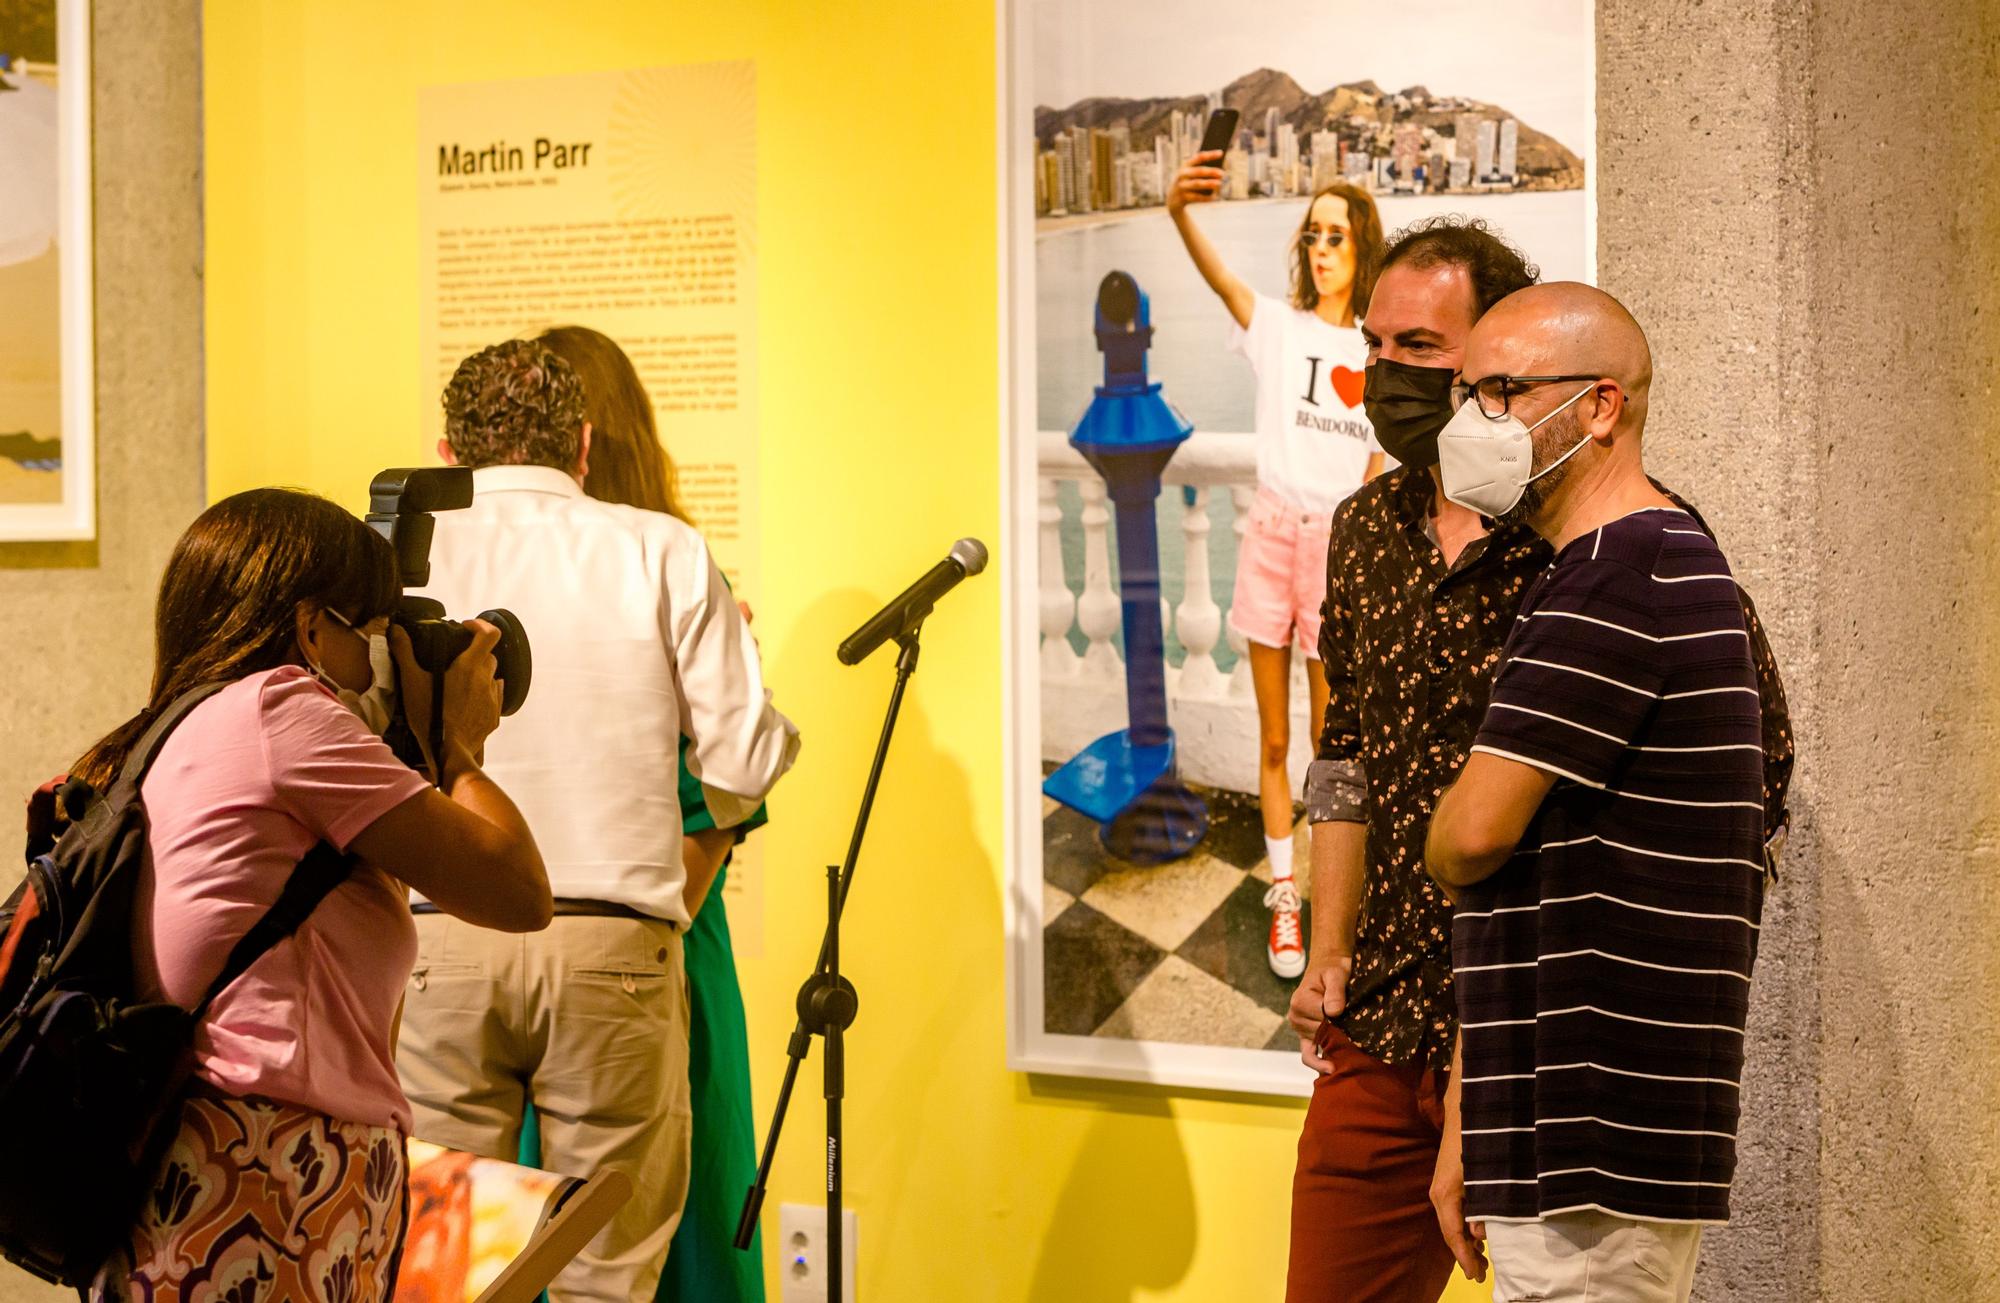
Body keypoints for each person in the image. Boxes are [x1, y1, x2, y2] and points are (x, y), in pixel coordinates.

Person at [1283, 220, 1793, 1303]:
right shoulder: (1368, 527)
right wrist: (1328, 945)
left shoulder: (1596, 542)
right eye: (1376, 348)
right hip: (1384, 1008)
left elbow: (1753, 770)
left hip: (1528, 1042)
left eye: (1425, 353)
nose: (1393, 378)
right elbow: (1347, 745)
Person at [395, 339, 799, 1302]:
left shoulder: (403, 558)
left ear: (448, 451)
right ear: (581, 443)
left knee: (442, 1261)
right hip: (615, 948)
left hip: (440, 934)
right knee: (604, 1273)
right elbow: (741, 764)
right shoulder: (663, 548)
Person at [75, 488, 550, 1302]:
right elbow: (517, 890)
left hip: (240, 1165)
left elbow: (362, 1003)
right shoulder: (281, 710)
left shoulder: (191, 727)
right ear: (309, 629)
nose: (382, 661)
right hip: (268, 1172)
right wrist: (458, 747)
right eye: (372, 632)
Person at [1423, 284, 1765, 1303]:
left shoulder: (1626, 574)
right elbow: (1517, 891)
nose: (1470, 424)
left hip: (1596, 1136)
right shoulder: (1601, 570)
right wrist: (1467, 1119)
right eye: (1462, 394)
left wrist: (1444, 820)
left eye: (1498, 392)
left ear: (1600, 406)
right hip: (1558, 1129)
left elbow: (1471, 836)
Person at [536, 322, 772, 1303]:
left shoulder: (676, 590)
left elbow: (701, 838)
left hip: (641, 969)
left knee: (661, 1245)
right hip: (581, 963)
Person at [1166, 153, 1387, 979]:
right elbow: (1219, 276)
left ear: (1362, 248)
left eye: (1339, 235)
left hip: (1334, 549)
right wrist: (1179, 212)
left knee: (1334, 742)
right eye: (1314, 234)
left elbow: (1372, 471)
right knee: (1274, 735)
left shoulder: (1374, 351)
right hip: (1268, 537)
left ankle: (1335, 903)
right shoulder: (1279, 327)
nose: (1323, 247)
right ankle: (1285, 894)